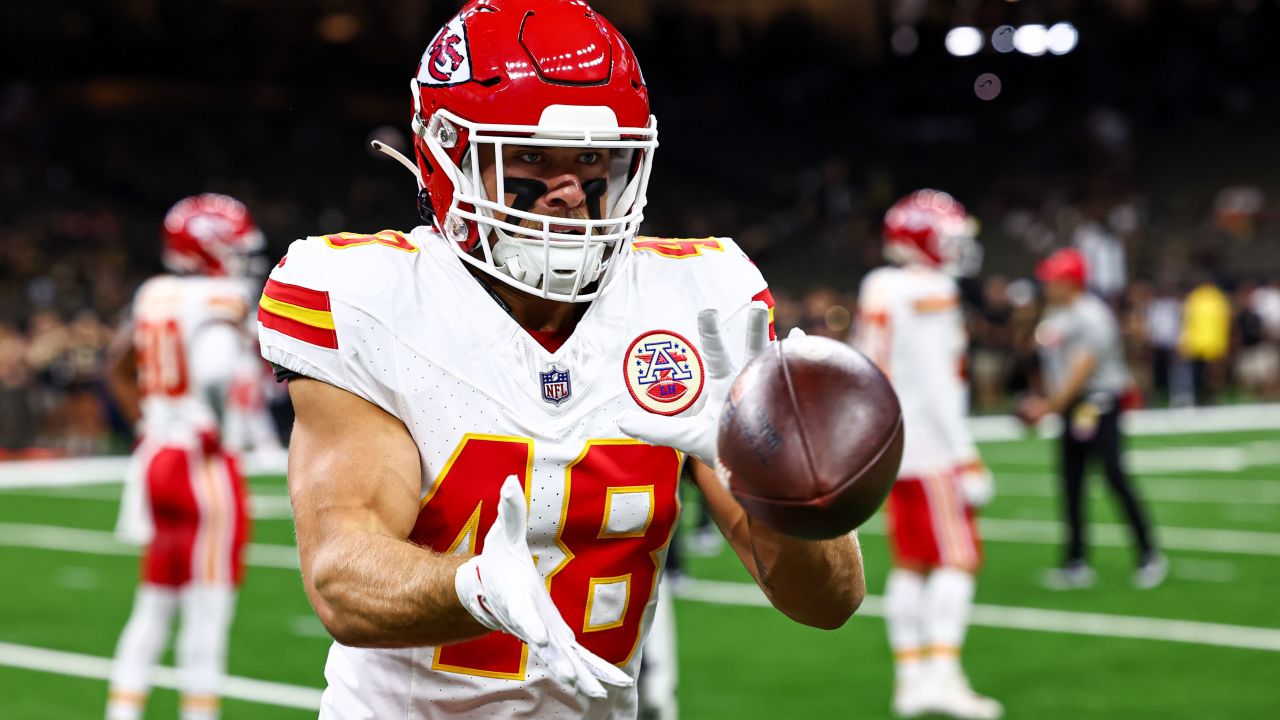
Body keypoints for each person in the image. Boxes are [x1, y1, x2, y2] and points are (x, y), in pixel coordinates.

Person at [257, 1, 865, 718]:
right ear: (444, 155)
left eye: (593, 158)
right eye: (531, 157)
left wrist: (780, 481)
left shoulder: (699, 302)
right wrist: (472, 589)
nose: (572, 189)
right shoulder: (372, 297)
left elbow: (829, 603)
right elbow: (341, 576)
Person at [104, 194, 262, 720]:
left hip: (156, 457)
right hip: (202, 463)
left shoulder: (155, 292)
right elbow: (217, 370)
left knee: (155, 601)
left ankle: (122, 711)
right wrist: (214, 427)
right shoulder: (223, 295)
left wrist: (151, 421)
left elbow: (119, 365)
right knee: (208, 610)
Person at [854, 190, 1002, 720]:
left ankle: (911, 676)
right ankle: (943, 673)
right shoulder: (929, 289)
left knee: (913, 564)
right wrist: (964, 455)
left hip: (893, 442)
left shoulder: (881, 285)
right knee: (958, 560)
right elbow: (939, 385)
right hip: (933, 446)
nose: (957, 248)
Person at [1019, 248, 1165, 590]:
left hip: (1096, 405)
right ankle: (1075, 562)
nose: (1047, 283)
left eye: (1053, 277)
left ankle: (1149, 554)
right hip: (1073, 406)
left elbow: (1080, 371)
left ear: (1071, 281)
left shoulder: (1091, 316)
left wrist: (1048, 407)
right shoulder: (1056, 313)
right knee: (1071, 483)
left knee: (1114, 476)